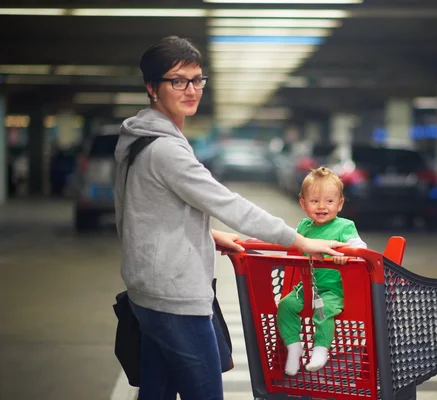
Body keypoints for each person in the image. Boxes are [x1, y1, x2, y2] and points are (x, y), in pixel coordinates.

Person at [113, 36, 344, 400]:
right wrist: (301, 241)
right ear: (151, 87)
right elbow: (229, 204)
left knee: (157, 391)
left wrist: (208, 235)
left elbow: (144, 212)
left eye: (197, 79)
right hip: (175, 297)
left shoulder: (139, 141)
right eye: (178, 80)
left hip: (148, 291)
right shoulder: (166, 150)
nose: (191, 90)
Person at [276, 167, 367, 376]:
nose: (322, 206)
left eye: (329, 201)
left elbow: (361, 248)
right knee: (285, 305)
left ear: (340, 204)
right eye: (314, 201)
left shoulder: (345, 226)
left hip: (333, 290)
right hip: (305, 287)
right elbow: (290, 243)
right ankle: (293, 347)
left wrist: (347, 254)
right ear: (303, 204)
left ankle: (321, 350)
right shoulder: (304, 227)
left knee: (323, 312)